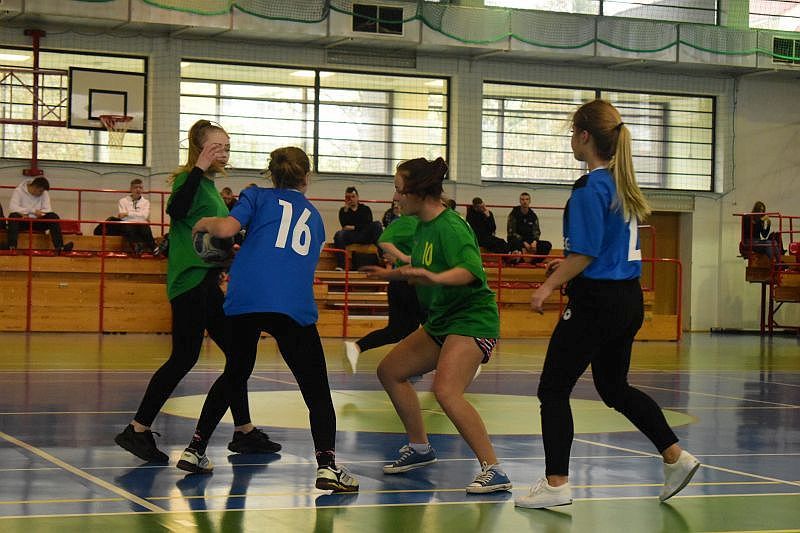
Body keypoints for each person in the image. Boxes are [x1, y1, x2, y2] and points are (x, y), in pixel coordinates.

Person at [515, 99, 699, 509]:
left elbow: (586, 253)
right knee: (614, 388)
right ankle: (675, 456)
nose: (571, 140)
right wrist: (566, 265)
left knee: (553, 389)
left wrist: (547, 286)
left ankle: (556, 484)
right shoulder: (621, 184)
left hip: (597, 301)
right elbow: (597, 248)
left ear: (584, 136)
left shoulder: (589, 187)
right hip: (627, 299)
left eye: (572, 133)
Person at [181, 146, 358, 493]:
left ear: (271, 174)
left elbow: (226, 228)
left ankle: (195, 448)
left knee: (235, 372)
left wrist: (203, 223)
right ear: (306, 178)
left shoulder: (256, 196)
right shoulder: (315, 218)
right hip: (292, 302)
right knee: (316, 390)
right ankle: (327, 466)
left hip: (247, 295)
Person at [114, 119, 277, 463]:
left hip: (206, 282)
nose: (225, 152)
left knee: (236, 355)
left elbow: (209, 232)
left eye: (227, 147)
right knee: (188, 357)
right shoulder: (189, 180)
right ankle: (138, 429)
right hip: (191, 283)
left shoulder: (208, 186)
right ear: (200, 149)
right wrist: (199, 166)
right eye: (217, 147)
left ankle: (243, 430)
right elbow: (175, 210)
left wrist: (230, 247)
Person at [366, 157, 512, 494]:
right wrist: (390, 274)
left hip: (472, 320)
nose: (395, 197)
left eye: (399, 190)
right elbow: (419, 268)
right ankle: (419, 448)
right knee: (390, 371)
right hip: (441, 320)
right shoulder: (419, 226)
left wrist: (434, 277)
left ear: (419, 192)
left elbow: (469, 271)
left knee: (446, 391)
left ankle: (494, 469)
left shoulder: (452, 227)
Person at [344, 191, 425, 373]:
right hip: (408, 282)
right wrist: (404, 257)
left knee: (398, 331)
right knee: (432, 327)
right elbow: (383, 240)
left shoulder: (418, 223)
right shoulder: (408, 221)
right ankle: (456, 363)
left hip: (400, 282)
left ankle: (357, 347)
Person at [4, 177, 73, 254]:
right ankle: (12, 247)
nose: (42, 193)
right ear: (35, 187)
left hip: (38, 221)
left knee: (53, 216)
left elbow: (48, 209)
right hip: (23, 221)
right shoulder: (18, 191)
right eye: (40, 191)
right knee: (13, 216)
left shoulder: (44, 193)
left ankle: (60, 247)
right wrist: (33, 211)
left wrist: (29, 213)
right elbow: (13, 207)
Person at [332, 186, 383, 269]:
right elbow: (344, 226)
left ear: (357, 197)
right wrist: (346, 210)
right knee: (339, 235)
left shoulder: (365, 209)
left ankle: (383, 257)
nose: (351, 199)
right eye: (348, 197)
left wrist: (354, 227)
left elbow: (368, 224)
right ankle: (342, 265)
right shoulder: (343, 211)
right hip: (353, 236)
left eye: (353, 196)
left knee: (377, 225)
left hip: (365, 235)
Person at [507, 192, 552, 263]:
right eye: (522, 199)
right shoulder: (513, 214)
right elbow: (511, 232)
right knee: (514, 242)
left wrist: (535, 241)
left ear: (530, 201)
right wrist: (524, 242)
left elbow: (537, 231)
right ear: (520, 201)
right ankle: (519, 261)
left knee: (547, 244)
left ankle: (534, 262)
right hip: (517, 240)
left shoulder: (533, 215)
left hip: (530, 240)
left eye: (527, 199)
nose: (525, 201)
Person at [118, 178, 156, 255]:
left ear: (142, 189)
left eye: (140, 187)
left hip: (141, 225)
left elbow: (144, 216)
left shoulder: (146, 202)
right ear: (131, 189)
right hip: (128, 225)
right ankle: (139, 248)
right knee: (128, 227)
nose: (138, 189)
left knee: (145, 227)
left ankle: (153, 248)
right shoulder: (122, 201)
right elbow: (122, 217)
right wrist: (138, 215)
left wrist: (128, 213)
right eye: (136, 187)